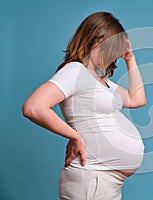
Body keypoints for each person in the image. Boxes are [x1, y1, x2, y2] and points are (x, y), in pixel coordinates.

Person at [22, 11, 146, 200]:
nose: (115, 56)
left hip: (107, 181)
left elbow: (137, 99)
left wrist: (131, 59)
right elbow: (33, 107)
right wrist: (74, 135)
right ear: (96, 40)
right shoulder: (74, 71)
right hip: (91, 178)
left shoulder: (102, 81)